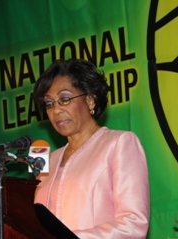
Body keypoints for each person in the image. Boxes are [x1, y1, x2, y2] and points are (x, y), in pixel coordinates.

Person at [33, 58, 150, 238]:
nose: (56, 110)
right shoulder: (48, 162)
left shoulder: (119, 144)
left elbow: (133, 224)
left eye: (64, 99)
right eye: (49, 103)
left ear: (90, 100)